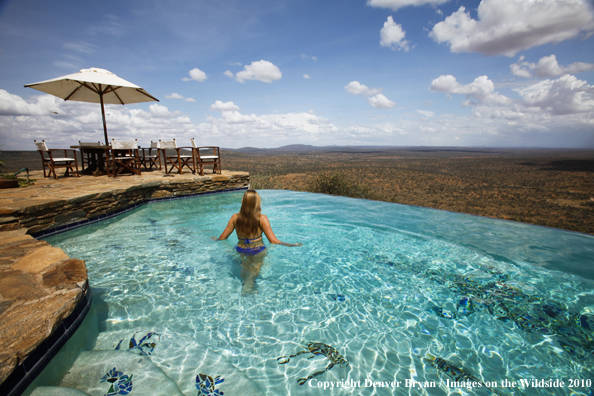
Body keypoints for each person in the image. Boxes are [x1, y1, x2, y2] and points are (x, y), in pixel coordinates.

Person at [214, 189, 301, 294]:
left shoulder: (235, 217)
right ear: (257, 203)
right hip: (257, 249)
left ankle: (244, 283)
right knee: (256, 267)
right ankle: (248, 284)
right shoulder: (262, 218)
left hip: (241, 249)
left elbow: (223, 238)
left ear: (244, 202)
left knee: (245, 266)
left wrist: (214, 239)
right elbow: (273, 241)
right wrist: (290, 244)